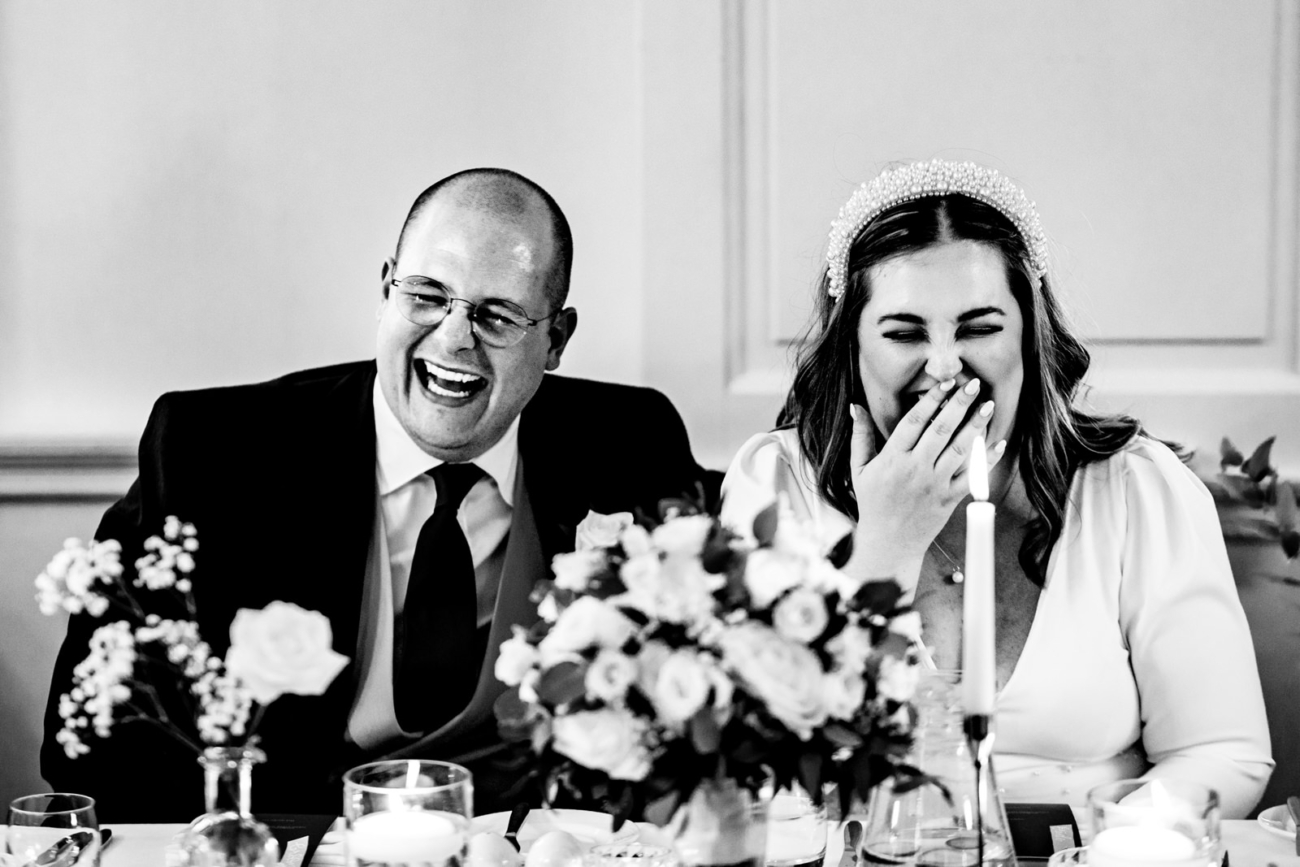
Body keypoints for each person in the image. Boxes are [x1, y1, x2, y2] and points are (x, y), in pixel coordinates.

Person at [42, 168, 714, 821]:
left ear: (557, 338)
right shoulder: (216, 453)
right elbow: (93, 749)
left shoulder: (631, 445)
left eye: (499, 315)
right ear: (385, 289)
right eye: (425, 294)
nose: (455, 337)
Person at [721, 158, 1273, 818]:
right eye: (903, 332)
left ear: (1028, 339)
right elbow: (749, 774)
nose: (946, 365)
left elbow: (1222, 752)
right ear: (853, 346)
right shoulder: (776, 486)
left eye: (980, 328)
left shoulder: (1136, 489)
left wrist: (1109, 847)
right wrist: (883, 550)